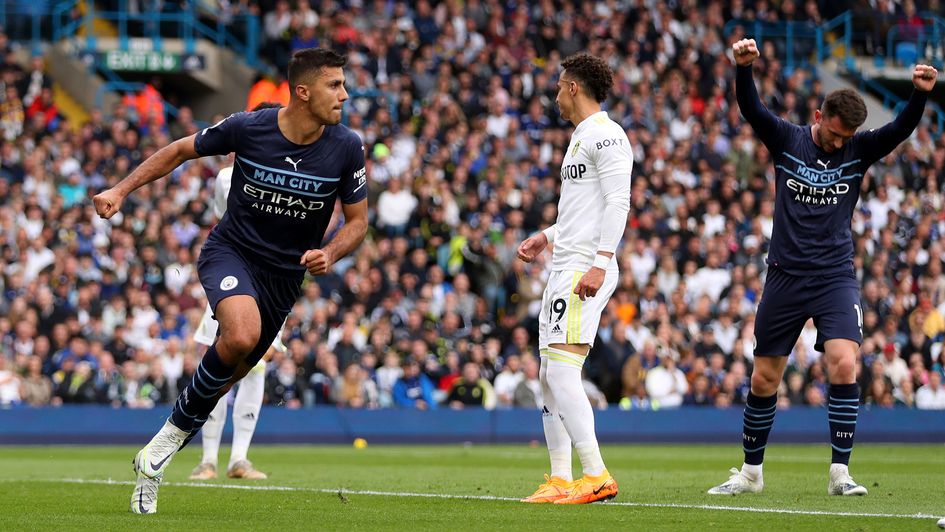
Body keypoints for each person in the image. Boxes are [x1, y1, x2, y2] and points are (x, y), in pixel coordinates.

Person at [93, 48, 369, 514]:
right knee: (241, 334)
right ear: (302, 92)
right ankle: (171, 449)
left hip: (285, 277)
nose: (345, 94)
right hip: (231, 253)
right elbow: (181, 149)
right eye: (334, 85)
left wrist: (331, 251)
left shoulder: (347, 146)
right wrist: (120, 189)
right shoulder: (249, 127)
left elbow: (358, 221)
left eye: (343, 84)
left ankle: (156, 451)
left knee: (230, 375)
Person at [708, 38, 937, 497]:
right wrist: (744, 69)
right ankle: (751, 473)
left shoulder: (857, 149)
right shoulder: (787, 139)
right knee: (765, 376)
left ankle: (840, 473)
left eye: (844, 138)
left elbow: (899, 130)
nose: (837, 143)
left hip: (834, 275)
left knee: (845, 362)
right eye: (833, 134)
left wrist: (920, 95)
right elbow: (752, 110)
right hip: (785, 274)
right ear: (818, 117)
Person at [516, 53, 631, 504]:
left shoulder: (607, 136)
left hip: (585, 266)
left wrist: (601, 262)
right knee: (549, 374)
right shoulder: (581, 138)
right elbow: (584, 211)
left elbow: (618, 203)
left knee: (563, 371)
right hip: (566, 261)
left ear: (574, 88)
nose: (556, 94)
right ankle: (561, 478)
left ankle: (597, 474)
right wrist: (546, 236)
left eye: (560, 85)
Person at [188, 103, 286, 482]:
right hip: (241, 274)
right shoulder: (230, 176)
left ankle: (237, 459)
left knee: (256, 368)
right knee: (222, 359)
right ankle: (209, 459)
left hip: (271, 281)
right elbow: (225, 218)